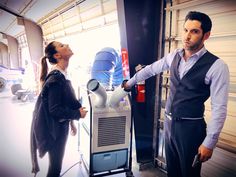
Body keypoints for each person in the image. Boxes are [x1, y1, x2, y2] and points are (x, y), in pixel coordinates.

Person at [123, 11, 229, 177]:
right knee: (172, 172)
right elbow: (150, 70)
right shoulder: (174, 56)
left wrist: (210, 143)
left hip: (191, 129)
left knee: (189, 174)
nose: (187, 36)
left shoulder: (217, 66)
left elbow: (219, 108)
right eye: (185, 30)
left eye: (194, 32)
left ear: (206, 35)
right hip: (169, 125)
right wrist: (129, 83)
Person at [30, 41, 88, 177]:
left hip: (60, 126)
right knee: (55, 168)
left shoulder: (62, 74)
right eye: (62, 46)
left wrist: (71, 122)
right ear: (57, 55)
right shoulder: (56, 78)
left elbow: (64, 102)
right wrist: (76, 114)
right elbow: (54, 110)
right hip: (53, 131)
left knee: (55, 166)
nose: (67, 44)